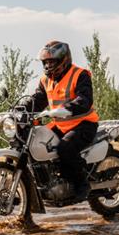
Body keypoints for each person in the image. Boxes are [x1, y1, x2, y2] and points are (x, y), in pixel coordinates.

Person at [28, 40, 100, 200]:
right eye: (45, 62)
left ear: (63, 59)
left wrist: (67, 108)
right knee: (35, 142)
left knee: (65, 148)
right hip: (60, 125)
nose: (48, 65)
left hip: (84, 124)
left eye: (51, 61)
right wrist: (20, 109)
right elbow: (38, 100)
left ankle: (82, 184)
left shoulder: (79, 74)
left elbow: (85, 99)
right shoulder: (45, 80)